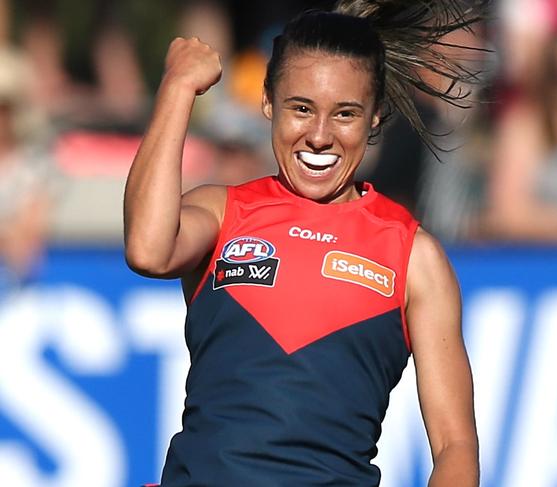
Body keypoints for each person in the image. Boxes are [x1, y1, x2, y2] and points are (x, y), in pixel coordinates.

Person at [124, 2, 480, 486]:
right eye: (301, 108)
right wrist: (177, 88)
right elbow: (148, 249)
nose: (318, 136)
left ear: (376, 117)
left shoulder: (414, 257)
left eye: (345, 114)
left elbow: (454, 446)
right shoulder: (222, 212)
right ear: (268, 102)